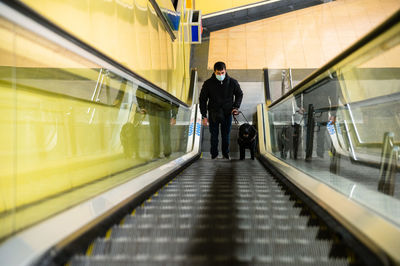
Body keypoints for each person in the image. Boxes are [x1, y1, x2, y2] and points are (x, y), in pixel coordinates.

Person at [199, 61, 243, 159]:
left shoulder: (232, 82)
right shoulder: (208, 83)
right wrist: (204, 116)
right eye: (218, 73)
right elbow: (202, 99)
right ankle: (214, 155)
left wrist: (236, 107)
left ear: (225, 71)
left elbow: (239, 94)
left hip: (227, 113)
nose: (221, 75)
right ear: (214, 72)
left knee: (226, 135)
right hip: (213, 113)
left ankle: (225, 154)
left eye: (222, 73)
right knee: (214, 136)